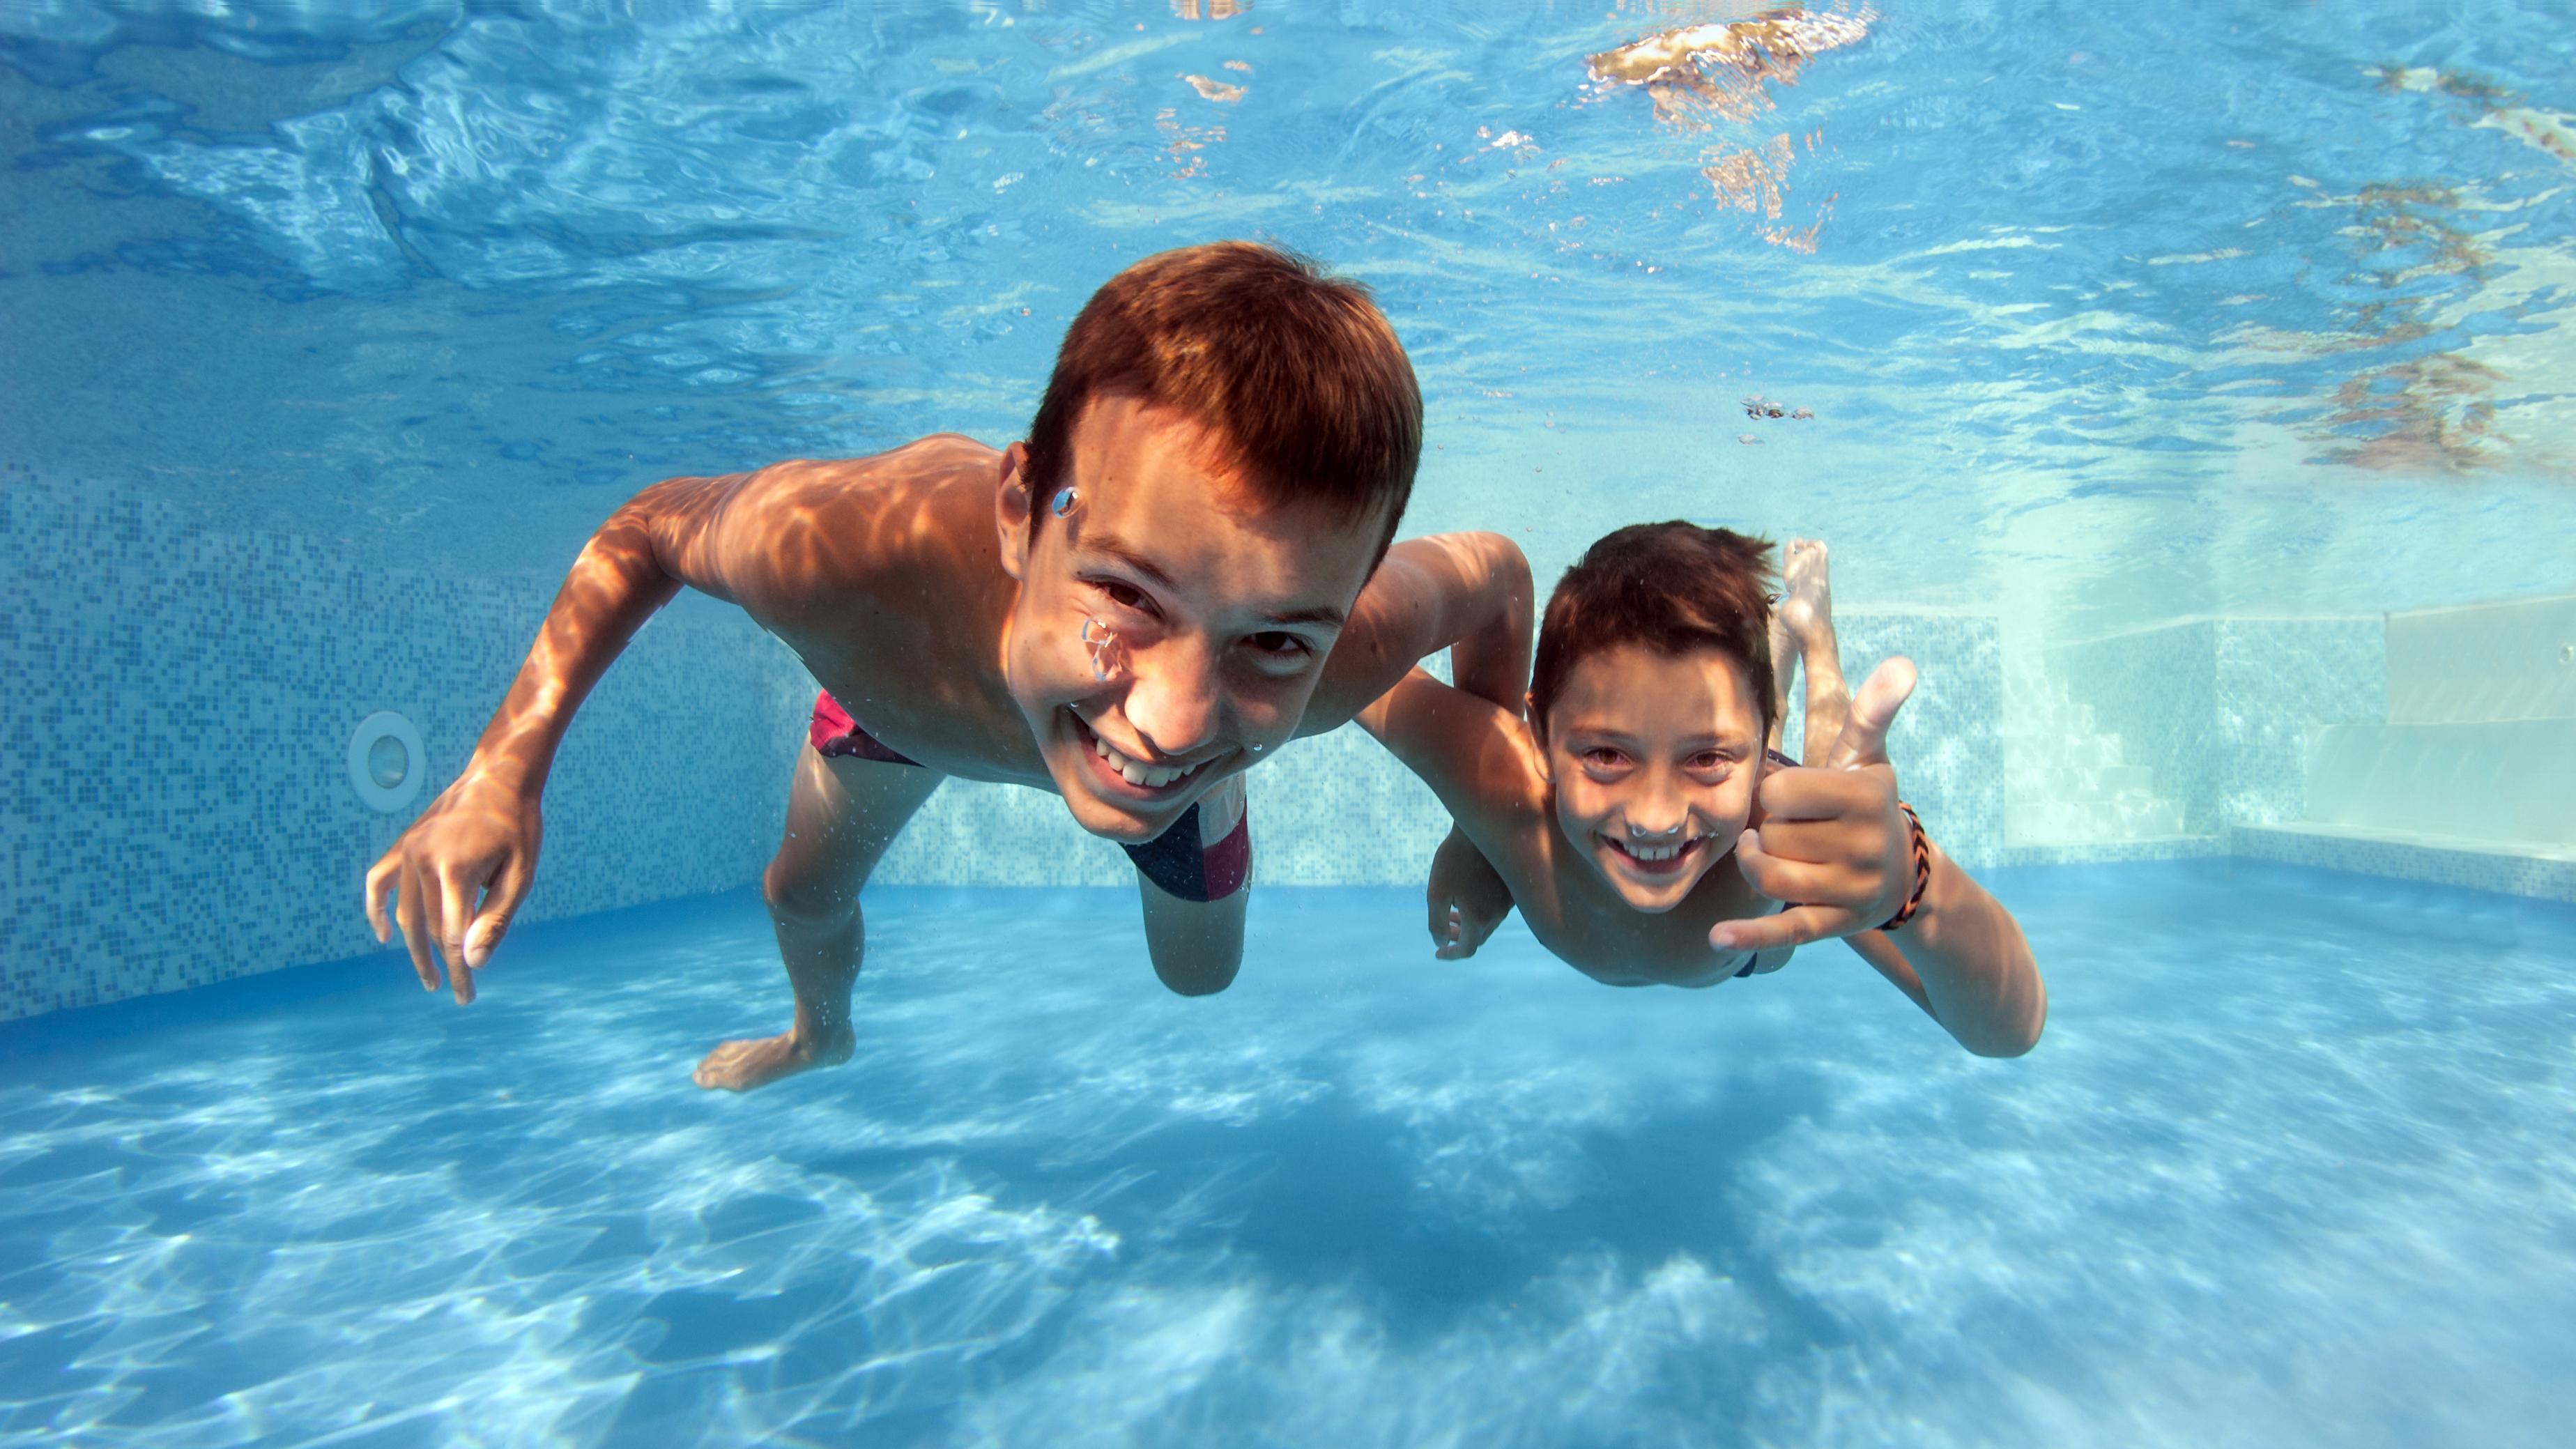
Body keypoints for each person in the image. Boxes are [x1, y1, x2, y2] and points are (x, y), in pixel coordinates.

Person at [363, 242, 1538, 1090]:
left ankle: (1205, 782)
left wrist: (1484, 829)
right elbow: (646, 531)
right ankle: (821, 1035)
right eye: (1127, 594)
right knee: (798, 894)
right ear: (1023, 511)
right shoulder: (847, 555)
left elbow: (1497, 574)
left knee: (1200, 981)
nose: (1176, 720)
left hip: (1156, 802)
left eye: (1276, 637)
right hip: (898, 705)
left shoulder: (1344, 657)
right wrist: (501, 770)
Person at [1358, 525, 2046, 1057]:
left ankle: (1816, 640)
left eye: (1708, 759)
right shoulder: (1494, 778)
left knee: (1828, 776)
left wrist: (1911, 887)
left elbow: (2007, 1030)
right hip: (1738, 767)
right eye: (1605, 754)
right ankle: (1764, 677)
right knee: (1749, 731)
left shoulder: (1786, 842)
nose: (1656, 819)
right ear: (1537, 735)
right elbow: (1341, 651)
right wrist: (1470, 835)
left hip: (1754, 944)